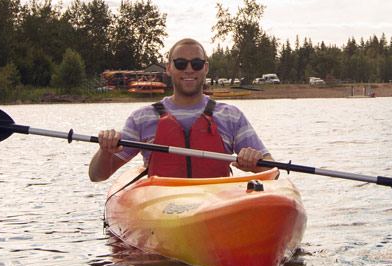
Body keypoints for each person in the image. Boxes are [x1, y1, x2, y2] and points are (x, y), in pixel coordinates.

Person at [87, 38, 269, 181]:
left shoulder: (230, 116)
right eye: (181, 64)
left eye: (196, 64)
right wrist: (105, 150)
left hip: (214, 203)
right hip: (162, 209)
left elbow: (271, 170)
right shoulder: (142, 118)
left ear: (205, 68)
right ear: (169, 68)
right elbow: (97, 176)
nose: (189, 70)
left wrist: (254, 163)